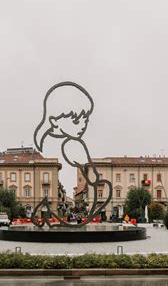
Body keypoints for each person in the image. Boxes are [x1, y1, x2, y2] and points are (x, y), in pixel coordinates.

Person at [33, 82, 112, 227]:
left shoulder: (72, 143)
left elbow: (92, 177)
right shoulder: (57, 144)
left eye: (86, 117)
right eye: (77, 119)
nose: (84, 123)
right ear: (54, 120)